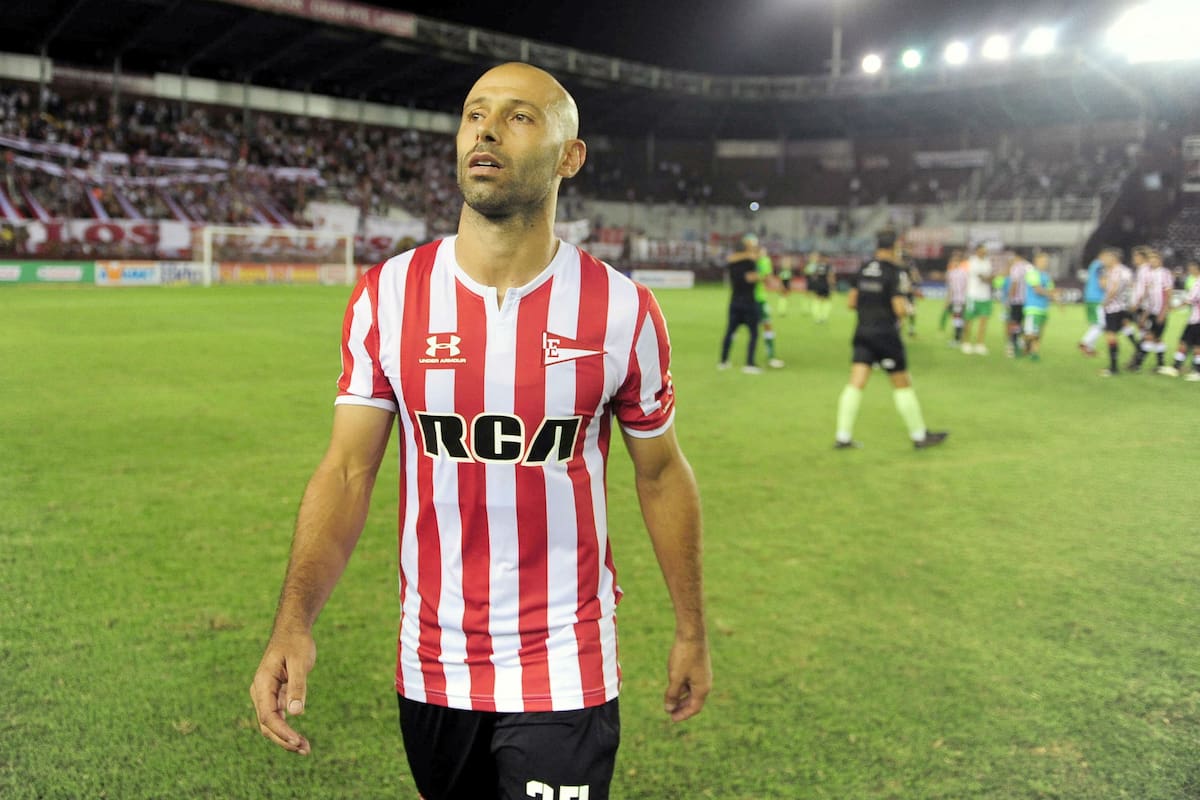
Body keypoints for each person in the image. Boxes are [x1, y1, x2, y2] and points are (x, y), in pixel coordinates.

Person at [249, 63, 711, 800]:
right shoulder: (389, 297)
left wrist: (691, 627)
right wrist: (293, 621)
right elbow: (346, 472)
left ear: (570, 156)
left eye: (519, 117)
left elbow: (660, 473)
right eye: (474, 114)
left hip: (566, 661)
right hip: (431, 661)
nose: (486, 130)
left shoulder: (622, 311)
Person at [834, 228, 948, 450]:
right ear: (895, 246)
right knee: (902, 383)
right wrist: (906, 306)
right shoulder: (895, 271)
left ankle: (843, 436)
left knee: (856, 383)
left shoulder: (864, 268)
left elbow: (850, 302)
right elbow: (899, 309)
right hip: (885, 335)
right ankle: (919, 436)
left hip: (862, 332)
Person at [720, 233, 766, 373]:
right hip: (748, 301)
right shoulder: (750, 262)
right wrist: (761, 276)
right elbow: (750, 278)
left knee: (730, 332)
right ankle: (749, 364)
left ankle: (723, 361)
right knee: (753, 333)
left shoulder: (733, 261)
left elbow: (730, 261)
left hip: (734, 301)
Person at [1129, 249, 1173, 372]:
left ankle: (1137, 365)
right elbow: (1149, 297)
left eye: (1155, 259)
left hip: (1160, 313)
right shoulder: (1150, 275)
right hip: (1151, 311)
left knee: (1149, 337)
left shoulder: (1165, 273)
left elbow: (1168, 294)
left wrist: (1163, 313)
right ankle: (1160, 365)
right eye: (1151, 259)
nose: (1153, 261)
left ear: (1160, 261)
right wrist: (1144, 314)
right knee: (1156, 339)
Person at [1158, 260, 1200, 380]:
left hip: (1196, 320)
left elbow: (1189, 300)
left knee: (1196, 346)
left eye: (1191, 267)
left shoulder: (1198, 283)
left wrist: (1173, 307)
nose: (1189, 269)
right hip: (1194, 319)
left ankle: (1196, 371)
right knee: (1184, 342)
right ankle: (1176, 367)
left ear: (1196, 268)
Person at [1099, 246, 1134, 377]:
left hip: (1113, 307)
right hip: (1124, 307)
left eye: (1107, 257)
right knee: (1125, 328)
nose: (1105, 260)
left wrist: (1106, 302)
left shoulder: (1115, 272)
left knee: (1111, 335)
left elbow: (1113, 289)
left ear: (1113, 258)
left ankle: (1113, 368)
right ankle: (1137, 350)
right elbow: (1131, 287)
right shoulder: (1125, 271)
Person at [1021, 252, 1057, 361]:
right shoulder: (1032, 273)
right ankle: (1020, 343)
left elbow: (1052, 291)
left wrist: (1057, 300)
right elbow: (1037, 289)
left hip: (1043, 308)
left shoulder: (1046, 276)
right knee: (1031, 333)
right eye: (1042, 261)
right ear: (1036, 261)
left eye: (1046, 261)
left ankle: (1033, 353)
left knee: (1038, 333)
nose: (1044, 263)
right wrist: (1050, 294)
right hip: (1032, 308)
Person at [755, 246, 786, 368]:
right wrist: (780, 286)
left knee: (737, 327)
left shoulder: (746, 261)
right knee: (767, 326)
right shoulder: (764, 261)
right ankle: (770, 357)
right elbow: (768, 278)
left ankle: (724, 359)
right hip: (758, 299)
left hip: (745, 299)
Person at [962, 242, 994, 355]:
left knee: (983, 321)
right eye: (983, 250)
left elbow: (990, 278)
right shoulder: (972, 261)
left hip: (985, 296)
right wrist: (990, 277)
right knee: (969, 320)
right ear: (977, 251)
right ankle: (966, 342)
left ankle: (980, 344)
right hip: (973, 295)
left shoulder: (987, 262)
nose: (984, 252)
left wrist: (990, 277)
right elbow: (983, 277)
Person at [1005, 251, 1033, 358]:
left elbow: (1014, 283)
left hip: (1017, 300)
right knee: (1024, 323)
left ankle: (1013, 343)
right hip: (1029, 301)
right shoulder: (1030, 266)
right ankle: (1023, 344)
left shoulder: (1016, 267)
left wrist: (1010, 298)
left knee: (1014, 322)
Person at [1079, 253, 1106, 356]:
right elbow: (1102, 283)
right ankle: (1085, 342)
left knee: (1094, 324)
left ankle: (1090, 349)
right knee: (1101, 324)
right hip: (1097, 298)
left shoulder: (1093, 264)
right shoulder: (1101, 266)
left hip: (1089, 297)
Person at [942, 251, 969, 347]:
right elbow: (950, 288)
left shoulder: (964, 273)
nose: (954, 263)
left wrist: (966, 298)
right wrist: (947, 300)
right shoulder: (950, 273)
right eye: (953, 261)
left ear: (960, 262)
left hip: (961, 299)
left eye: (956, 261)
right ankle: (959, 337)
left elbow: (967, 287)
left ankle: (957, 338)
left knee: (958, 318)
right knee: (956, 318)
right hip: (954, 299)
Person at [806, 250, 834, 324]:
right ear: (825, 258)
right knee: (826, 301)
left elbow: (813, 276)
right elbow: (830, 277)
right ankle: (824, 317)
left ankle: (816, 317)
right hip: (826, 285)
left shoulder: (816, 266)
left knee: (817, 300)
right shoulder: (829, 266)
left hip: (818, 285)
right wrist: (832, 286)